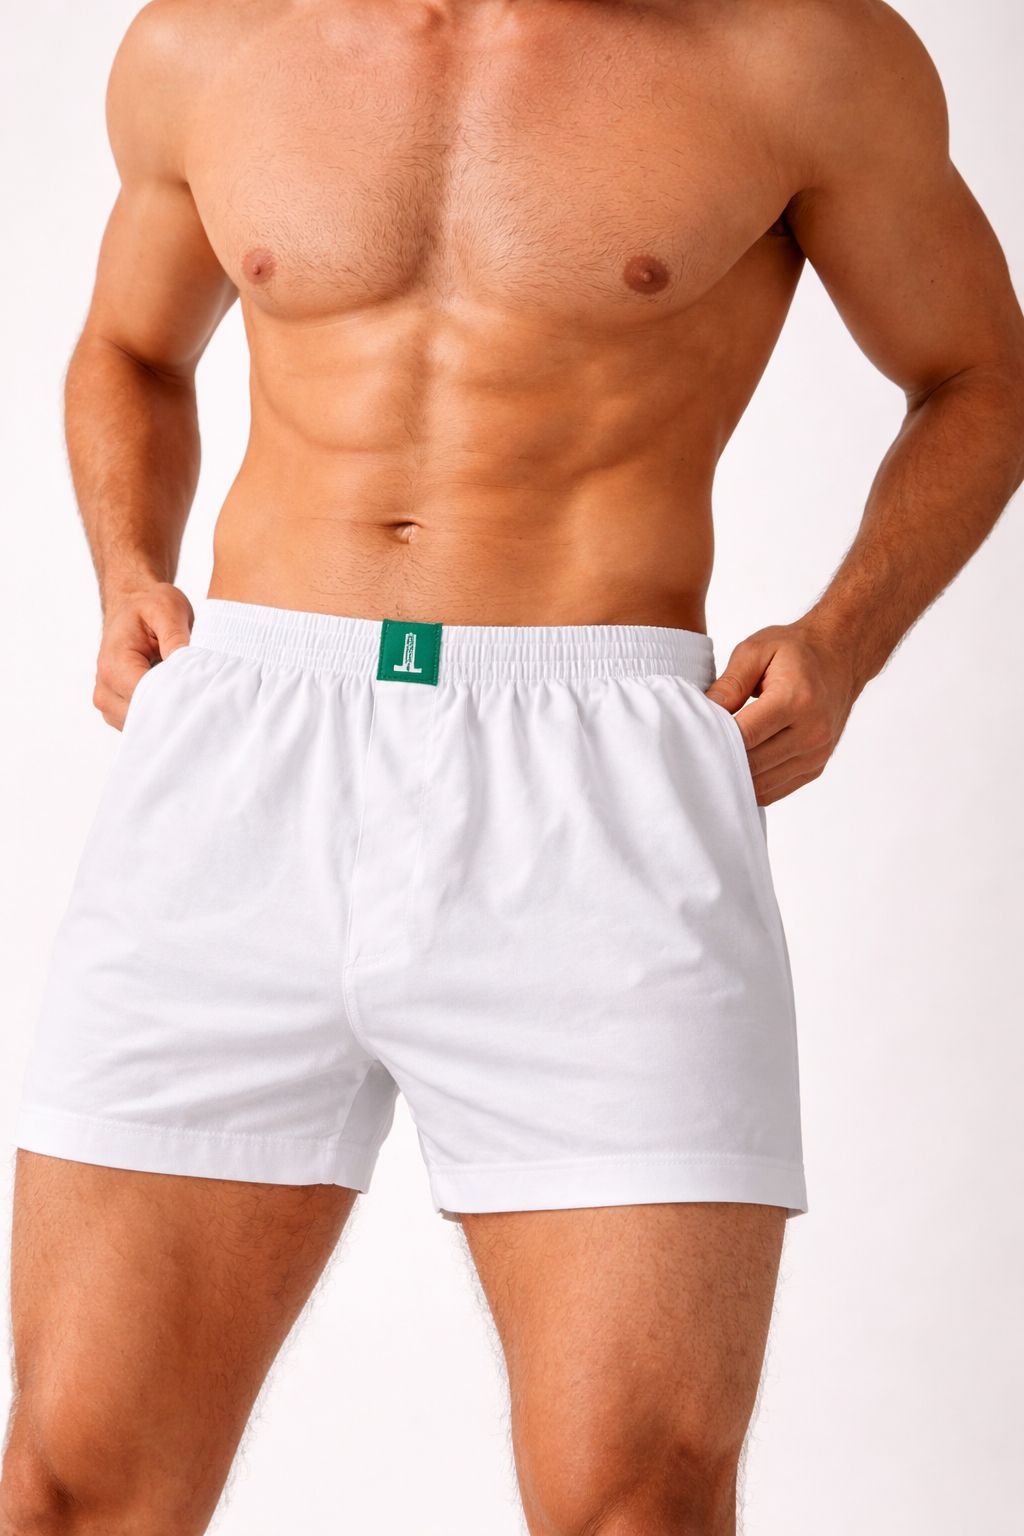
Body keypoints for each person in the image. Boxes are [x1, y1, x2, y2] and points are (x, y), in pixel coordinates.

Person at [4, 1, 1023, 1532]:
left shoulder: (797, 49)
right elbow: (132, 348)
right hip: (247, 756)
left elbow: (982, 372)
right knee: (72, 1485)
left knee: (638, 1500)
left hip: (593, 778)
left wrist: (845, 638)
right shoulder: (207, 42)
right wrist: (125, 566)